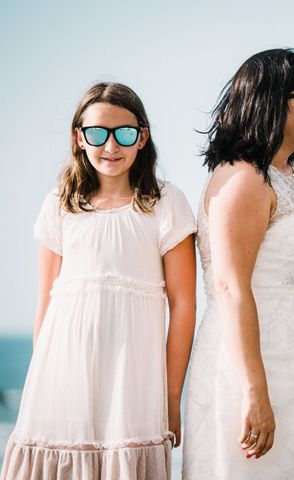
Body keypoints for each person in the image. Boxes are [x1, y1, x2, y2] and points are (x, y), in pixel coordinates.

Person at [0, 82, 197, 480]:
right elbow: (47, 303)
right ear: (79, 138)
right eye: (97, 133)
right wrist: (42, 384)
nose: (111, 146)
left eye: (124, 133)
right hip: (63, 375)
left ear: (142, 137)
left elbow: (184, 305)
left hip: (133, 382)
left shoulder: (165, 203)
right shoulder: (60, 203)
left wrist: (171, 397)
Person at [181, 48, 294, 479]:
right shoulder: (243, 179)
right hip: (254, 370)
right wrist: (255, 392)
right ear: (273, 100)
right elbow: (231, 288)